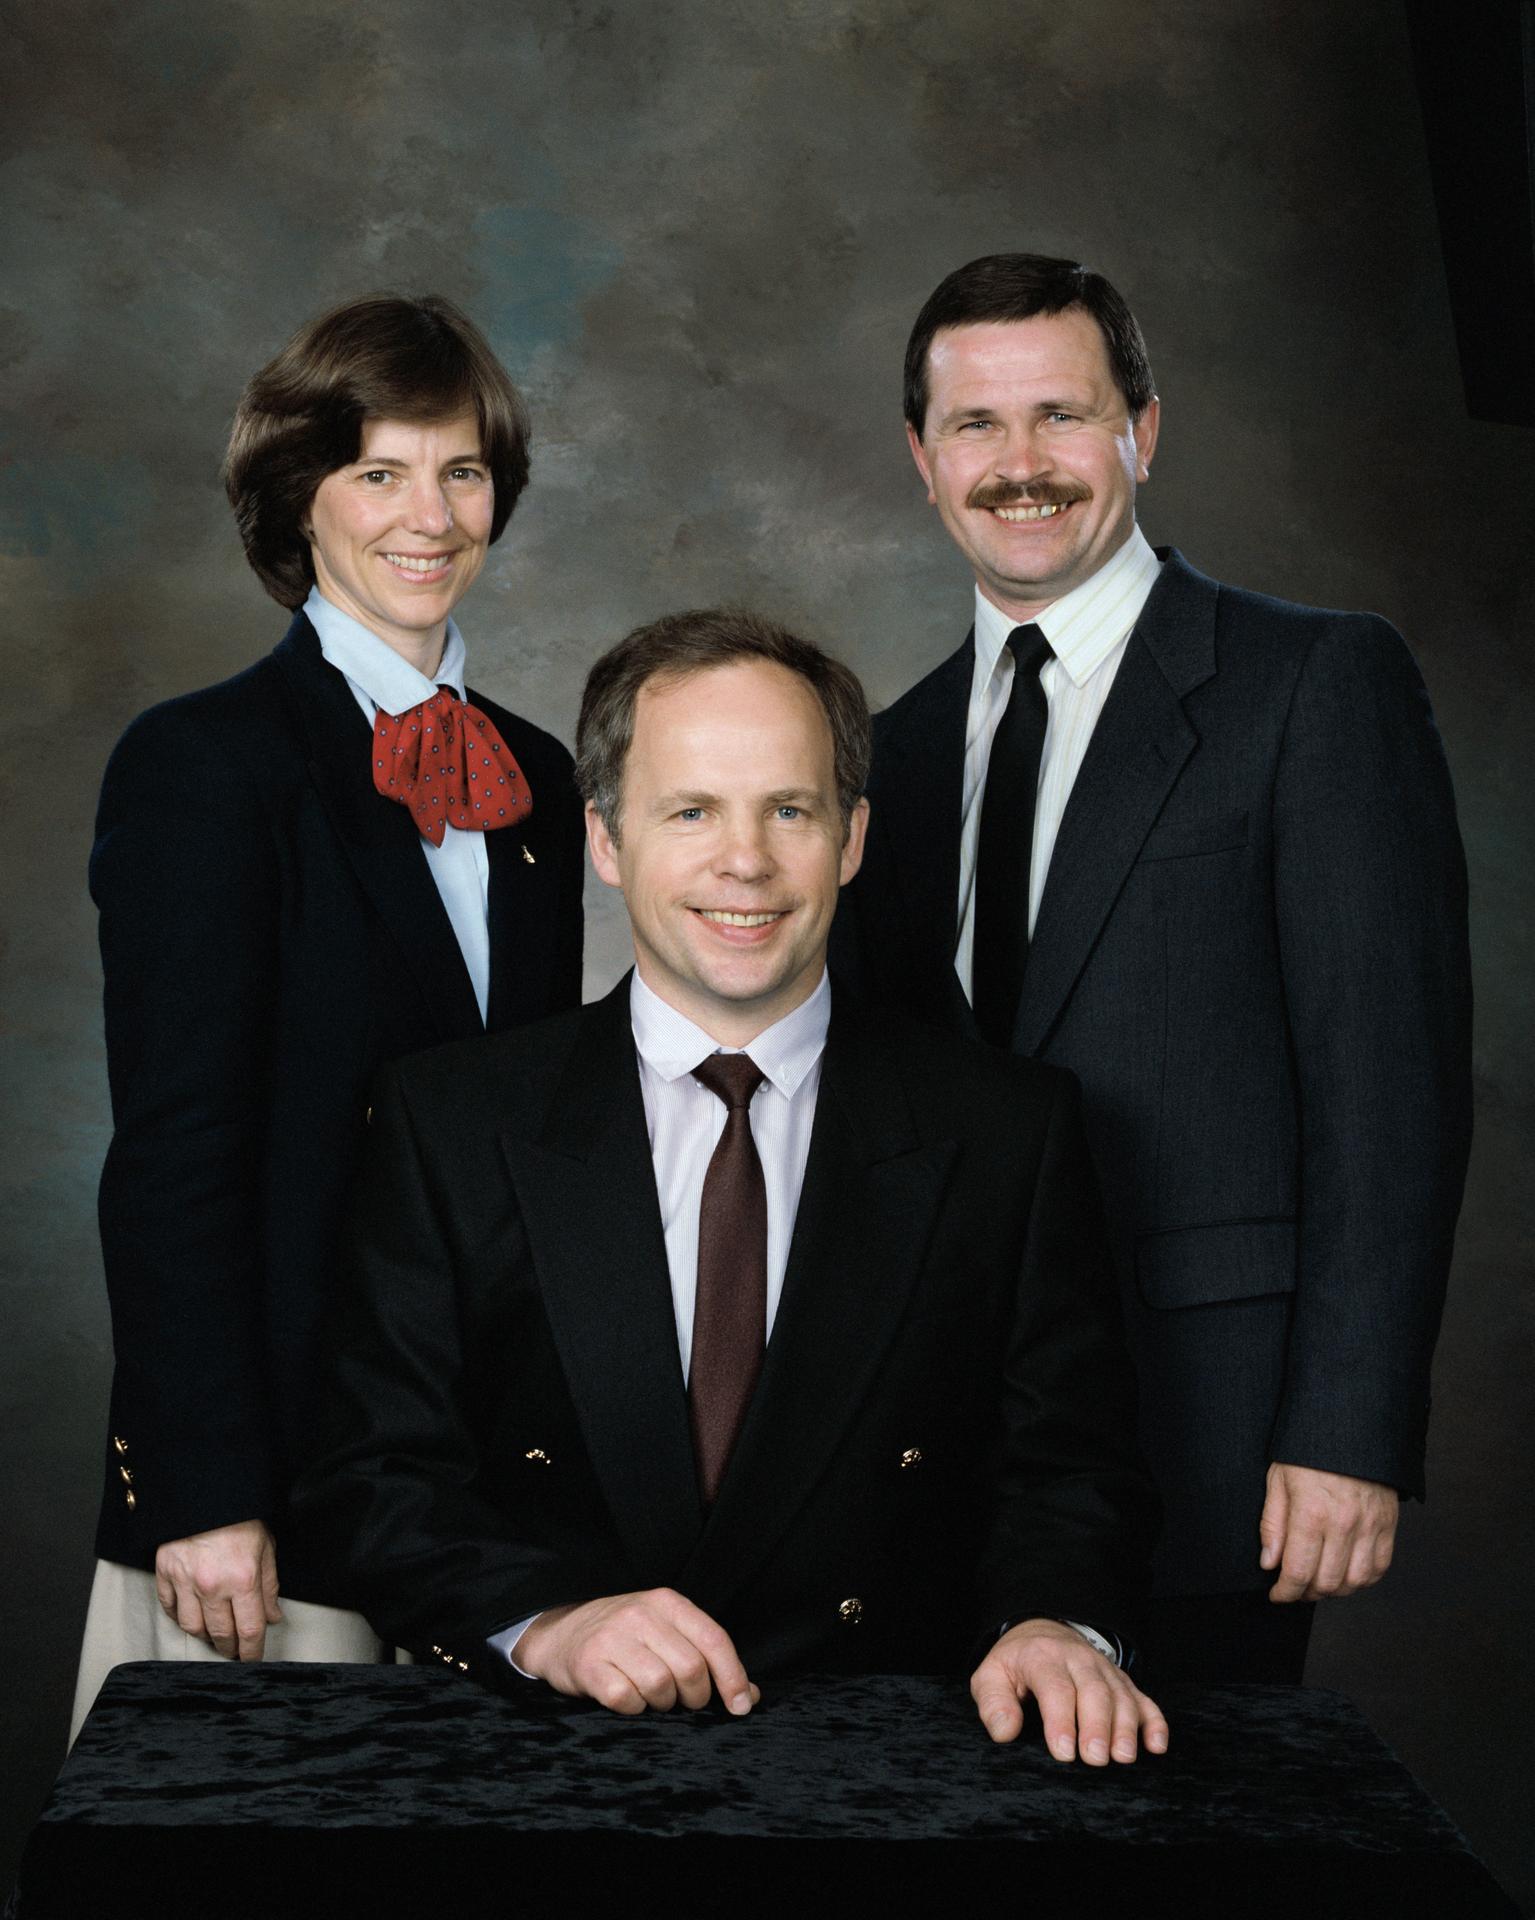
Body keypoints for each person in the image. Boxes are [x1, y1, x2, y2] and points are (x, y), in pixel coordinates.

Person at [297, 609, 1167, 1764]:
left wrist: (1053, 1624)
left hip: (896, 1762)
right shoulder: (449, 1119)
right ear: (605, 838)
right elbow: (374, 1473)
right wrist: (544, 1623)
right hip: (542, 1756)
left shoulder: (1008, 1128)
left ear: (851, 838)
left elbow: (1069, 1469)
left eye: (788, 811)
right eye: (691, 811)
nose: (744, 861)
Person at [831, 253, 1473, 1684]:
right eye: (975, 425)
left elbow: (1388, 1085)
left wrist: (1345, 1426)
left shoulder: (1310, 684)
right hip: (941, 1456)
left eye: (1060, 415)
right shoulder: (889, 754)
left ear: (1143, 430)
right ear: (922, 459)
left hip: (1217, 1434)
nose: (1019, 465)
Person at [71, 293, 586, 1740]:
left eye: (462, 471)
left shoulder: (540, 779)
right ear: (300, 499)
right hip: (272, 1481)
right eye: (379, 471)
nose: (430, 515)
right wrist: (203, 1490)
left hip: (479, 1478)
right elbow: (172, 1158)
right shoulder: (204, 764)